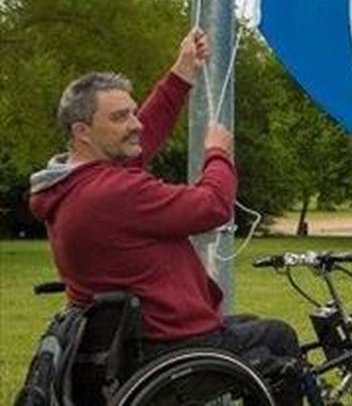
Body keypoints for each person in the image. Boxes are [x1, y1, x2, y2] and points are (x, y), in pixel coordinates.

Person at [29, 28, 303, 404]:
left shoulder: (73, 185)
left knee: (250, 325)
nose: (136, 123)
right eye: (121, 116)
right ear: (83, 132)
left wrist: (183, 72)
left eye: (133, 112)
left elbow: (143, 138)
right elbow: (211, 206)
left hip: (130, 345)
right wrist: (218, 154)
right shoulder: (112, 192)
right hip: (169, 346)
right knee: (279, 338)